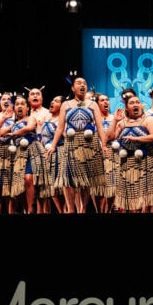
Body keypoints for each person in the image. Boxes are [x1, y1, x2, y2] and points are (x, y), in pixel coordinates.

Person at [46, 76, 108, 214]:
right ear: (73, 88)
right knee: (68, 178)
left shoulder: (93, 105)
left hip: (89, 144)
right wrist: (53, 145)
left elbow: (99, 126)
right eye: (79, 83)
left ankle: (83, 209)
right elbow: (60, 128)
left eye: (85, 83)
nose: (82, 85)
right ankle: (70, 209)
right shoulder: (66, 105)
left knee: (85, 179)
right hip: (71, 144)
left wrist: (104, 145)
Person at [109, 94, 153, 212]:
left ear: (141, 105)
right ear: (126, 108)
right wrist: (115, 121)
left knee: (147, 198)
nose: (135, 104)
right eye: (132, 103)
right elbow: (110, 138)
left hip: (147, 163)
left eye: (137, 102)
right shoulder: (122, 123)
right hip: (128, 165)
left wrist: (136, 139)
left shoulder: (148, 120)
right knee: (132, 197)